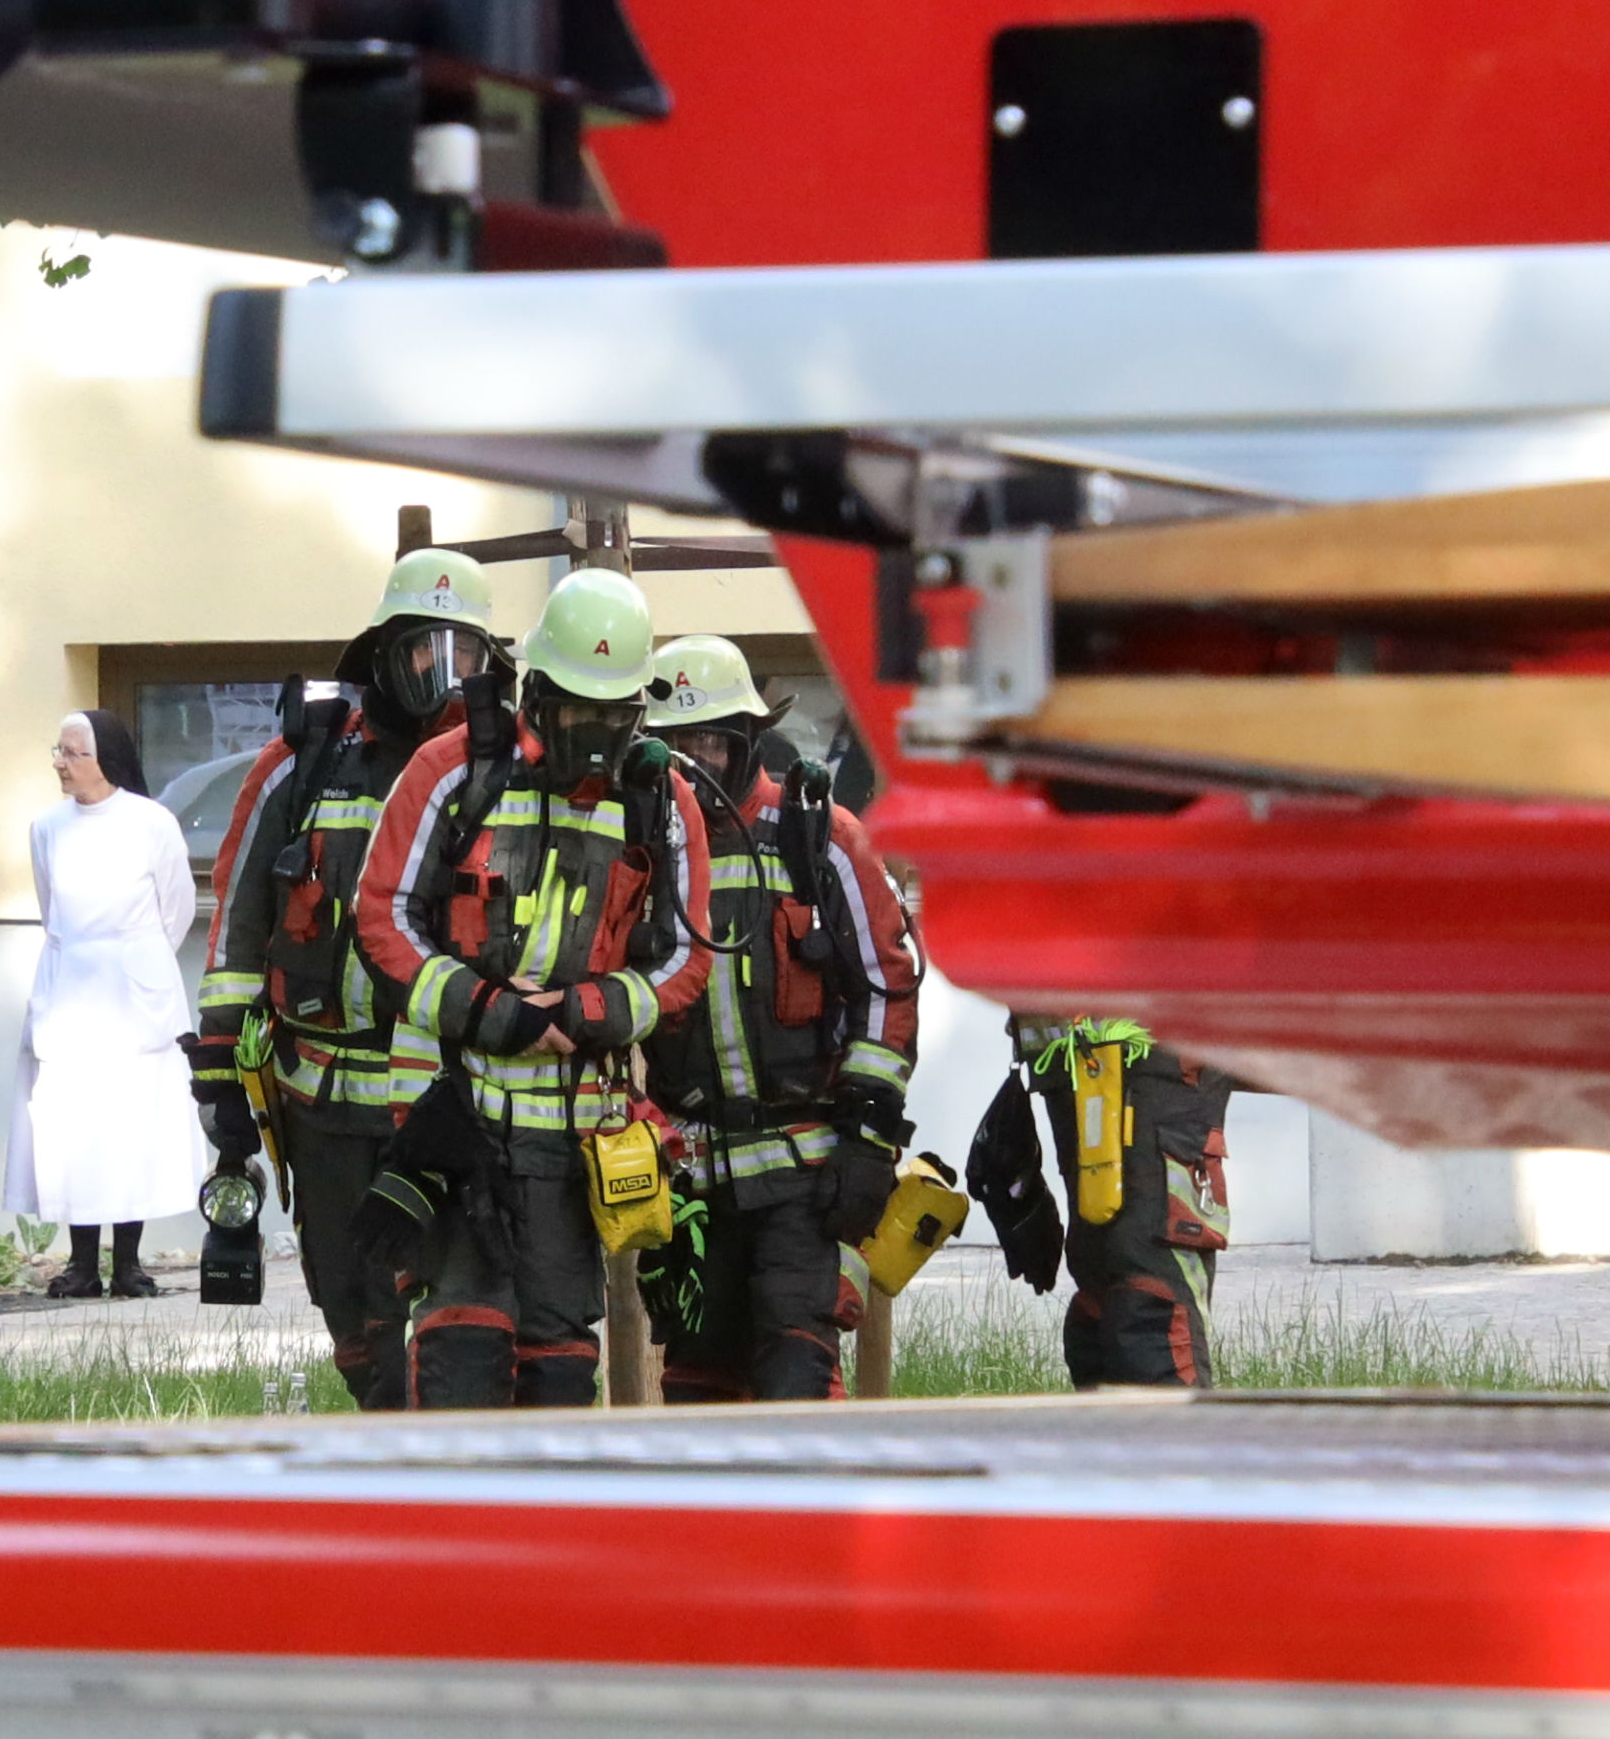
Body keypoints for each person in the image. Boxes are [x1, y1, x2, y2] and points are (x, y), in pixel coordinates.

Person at [353, 569, 712, 1408]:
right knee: (461, 1360)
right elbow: (381, 918)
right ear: (537, 691)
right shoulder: (452, 770)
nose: (597, 738)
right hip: (456, 1119)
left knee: (559, 1372)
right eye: (579, 713)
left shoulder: (662, 801)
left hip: (574, 1141)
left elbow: (688, 959)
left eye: (614, 717)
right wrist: (492, 1012)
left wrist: (588, 1010)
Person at [190, 547, 499, 1406]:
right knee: (354, 1318)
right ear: (383, 653)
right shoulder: (304, 763)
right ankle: (385, 1438)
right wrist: (220, 1074)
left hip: (449, 1100)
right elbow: (239, 925)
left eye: (465, 653)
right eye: (423, 649)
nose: (443, 674)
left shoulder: (498, 769)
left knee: (451, 1318)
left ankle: (438, 1463)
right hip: (321, 1102)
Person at [636, 638, 922, 1402]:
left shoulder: (821, 838)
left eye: (711, 740)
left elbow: (886, 987)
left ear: (747, 737)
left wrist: (868, 1139)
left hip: (806, 1178)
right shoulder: (644, 849)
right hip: (692, 1183)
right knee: (697, 1393)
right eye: (678, 744)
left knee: (798, 1380)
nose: (695, 761)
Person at [5, 709, 207, 1295]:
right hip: (69, 991)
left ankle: (128, 1263)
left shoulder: (152, 822)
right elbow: (50, 905)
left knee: (131, 1125)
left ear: (106, 760)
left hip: (135, 994)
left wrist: (134, 961)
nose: (60, 764)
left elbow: (176, 909)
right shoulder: (47, 827)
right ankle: (81, 1264)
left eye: (73, 753)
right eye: (59, 751)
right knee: (75, 1126)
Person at [970, 1010, 1237, 1386]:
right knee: (1109, 1301)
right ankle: (1129, 1424)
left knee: (1142, 1301)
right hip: (1092, 1059)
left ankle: (1163, 1424)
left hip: (1145, 1062)